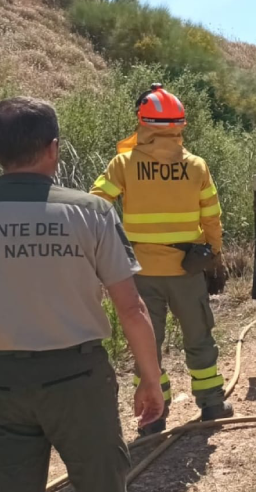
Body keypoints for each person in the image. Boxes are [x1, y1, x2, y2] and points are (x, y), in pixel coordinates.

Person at [0, 97, 165, 492]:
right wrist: (150, 379)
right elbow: (131, 309)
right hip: (78, 380)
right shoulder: (91, 212)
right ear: (53, 148)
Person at [90, 84, 231, 436]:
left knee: (147, 345)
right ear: (180, 125)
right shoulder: (196, 166)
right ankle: (212, 403)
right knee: (199, 336)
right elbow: (212, 216)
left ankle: (155, 417)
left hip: (139, 272)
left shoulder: (123, 164)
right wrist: (214, 254)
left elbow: (94, 207)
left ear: (143, 122)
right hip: (187, 270)